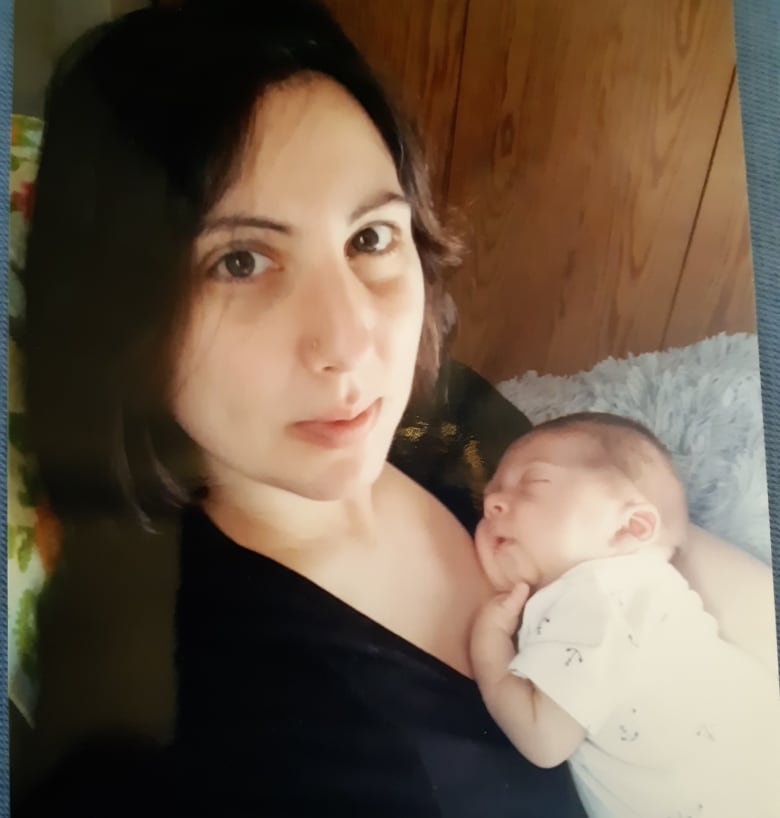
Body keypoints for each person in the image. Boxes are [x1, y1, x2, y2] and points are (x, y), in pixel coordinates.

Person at [17, 2, 775, 816]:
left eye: (371, 239)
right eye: (239, 260)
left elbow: (668, 547)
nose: (353, 343)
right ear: (118, 310)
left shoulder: (438, 421)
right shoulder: (222, 726)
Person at [471, 413, 780, 818]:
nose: (492, 503)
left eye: (534, 482)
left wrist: (489, 651)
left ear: (631, 526)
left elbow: (543, 739)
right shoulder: (639, 592)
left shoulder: (595, 594)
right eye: (489, 496)